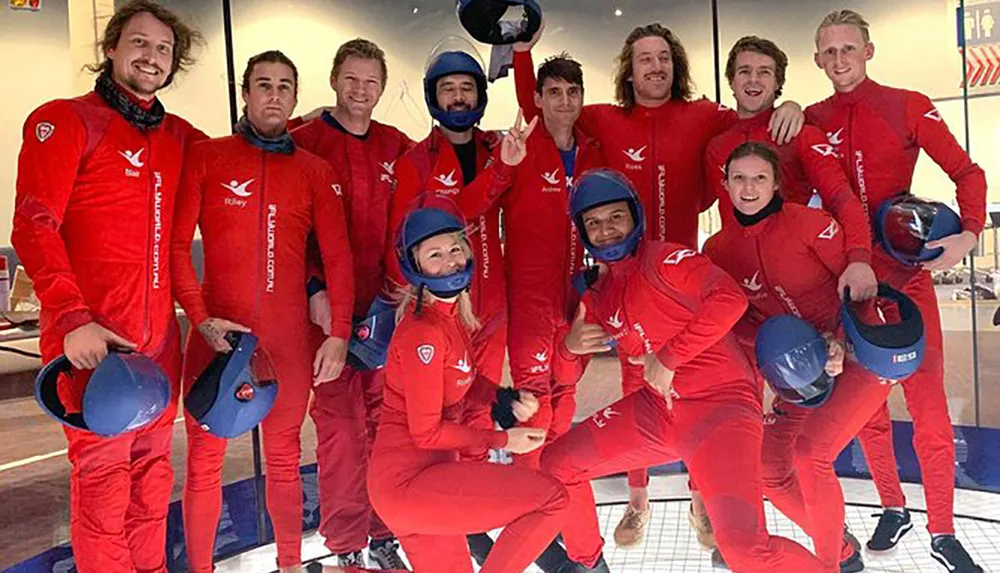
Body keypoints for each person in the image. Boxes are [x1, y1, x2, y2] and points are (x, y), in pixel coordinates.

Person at [512, 25, 805, 543]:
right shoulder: (605, 117)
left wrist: (794, 105)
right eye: (644, 59)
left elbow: (751, 103)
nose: (655, 67)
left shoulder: (702, 115)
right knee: (638, 385)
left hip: (688, 281)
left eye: (664, 58)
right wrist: (520, 52)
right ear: (630, 68)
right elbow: (546, 113)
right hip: (627, 279)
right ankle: (638, 499)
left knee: (703, 395)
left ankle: (703, 501)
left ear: (677, 65)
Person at [537, 168, 824, 573]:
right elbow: (567, 377)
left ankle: (837, 560)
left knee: (743, 549)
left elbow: (729, 300)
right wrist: (568, 348)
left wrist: (669, 357)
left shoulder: (666, 259)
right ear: (583, 232)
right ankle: (587, 564)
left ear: (635, 216)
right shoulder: (599, 293)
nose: (606, 230)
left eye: (615, 217)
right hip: (661, 412)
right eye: (594, 223)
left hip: (720, 410)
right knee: (557, 463)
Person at [11, 2, 204, 571]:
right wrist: (71, 317)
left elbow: (249, 156)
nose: (152, 57)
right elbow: (34, 223)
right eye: (140, 44)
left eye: (164, 49)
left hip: (159, 341)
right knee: (102, 480)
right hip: (93, 341)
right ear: (113, 48)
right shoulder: (66, 120)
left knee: (153, 475)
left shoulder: (181, 138)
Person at [807, 10, 986, 572]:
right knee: (868, 411)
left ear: (868, 51)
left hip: (906, 278)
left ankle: (942, 530)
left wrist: (968, 235)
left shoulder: (907, 104)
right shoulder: (811, 119)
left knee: (928, 405)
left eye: (848, 49)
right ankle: (893, 505)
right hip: (855, 281)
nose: (839, 60)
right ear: (817, 60)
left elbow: (968, 172)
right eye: (828, 52)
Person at [170, 50, 355, 573]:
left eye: (284, 87)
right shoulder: (208, 157)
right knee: (204, 465)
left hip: (288, 342)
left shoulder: (314, 171)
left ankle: (292, 564)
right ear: (246, 93)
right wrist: (201, 318)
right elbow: (178, 248)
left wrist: (338, 333)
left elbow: (338, 256)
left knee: (283, 462)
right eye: (263, 85)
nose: (274, 95)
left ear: (295, 98)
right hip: (215, 340)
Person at [703, 142, 894, 573]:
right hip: (798, 372)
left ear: (776, 184)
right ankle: (841, 552)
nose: (748, 187)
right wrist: (769, 374)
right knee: (771, 470)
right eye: (739, 178)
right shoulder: (718, 250)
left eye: (759, 178)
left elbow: (862, 291)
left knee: (812, 455)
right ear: (725, 184)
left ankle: (825, 565)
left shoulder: (811, 225)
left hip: (862, 353)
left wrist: (842, 342)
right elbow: (742, 323)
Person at [367, 204, 570, 573]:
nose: (450, 262)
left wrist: (502, 399)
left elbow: (462, 379)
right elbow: (426, 434)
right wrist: (504, 442)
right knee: (552, 499)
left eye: (456, 249)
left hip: (424, 485)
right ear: (416, 266)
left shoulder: (452, 318)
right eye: (435, 254)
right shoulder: (422, 333)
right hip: (411, 484)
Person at [291, 38, 412, 569]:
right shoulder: (306, 140)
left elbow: (416, 213)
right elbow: (289, 228)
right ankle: (346, 546)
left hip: (388, 311)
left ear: (382, 88)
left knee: (386, 427)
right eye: (352, 79)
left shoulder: (398, 146)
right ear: (334, 79)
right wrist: (313, 287)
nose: (360, 91)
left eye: (371, 82)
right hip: (326, 317)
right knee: (339, 431)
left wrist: (408, 284)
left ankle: (385, 531)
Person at [385, 40, 537, 455]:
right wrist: (501, 172)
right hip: (445, 309)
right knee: (445, 409)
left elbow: (541, 121)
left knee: (481, 406)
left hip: (494, 305)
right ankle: (447, 501)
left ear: (480, 94)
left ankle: (475, 501)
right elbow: (442, 223)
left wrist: (522, 52)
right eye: (447, 87)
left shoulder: (499, 147)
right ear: (434, 96)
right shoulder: (416, 162)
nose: (458, 96)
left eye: (466, 87)